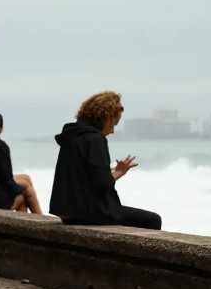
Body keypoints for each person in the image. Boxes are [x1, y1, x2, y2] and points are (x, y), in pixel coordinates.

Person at [49, 91, 162, 230]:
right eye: (114, 123)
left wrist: (107, 171)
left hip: (67, 212)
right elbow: (101, 184)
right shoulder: (95, 139)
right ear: (107, 118)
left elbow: (82, 176)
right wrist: (119, 172)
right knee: (153, 220)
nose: (113, 130)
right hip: (87, 213)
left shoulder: (73, 134)